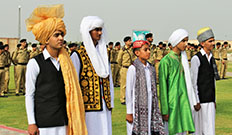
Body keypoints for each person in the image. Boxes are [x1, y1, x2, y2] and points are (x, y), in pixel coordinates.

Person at [25, 4, 87, 135]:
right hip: (44, 123)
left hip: (65, 121)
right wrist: (32, 122)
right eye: (57, 35)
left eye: (62, 34)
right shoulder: (35, 63)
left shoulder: (67, 62)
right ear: (46, 39)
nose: (61, 38)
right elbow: (30, 94)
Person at [71, 16, 114, 135]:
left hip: (105, 105)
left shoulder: (104, 53)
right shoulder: (77, 55)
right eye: (96, 30)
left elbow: (109, 80)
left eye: (101, 30)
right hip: (88, 108)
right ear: (88, 31)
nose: (100, 33)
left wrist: (111, 103)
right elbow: (73, 84)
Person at [159, 29, 195, 134]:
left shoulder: (182, 60)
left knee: (183, 130)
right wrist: (165, 110)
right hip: (172, 105)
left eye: (186, 41)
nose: (186, 44)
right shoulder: (166, 61)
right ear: (176, 42)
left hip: (183, 103)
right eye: (183, 41)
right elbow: (163, 88)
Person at [126, 40, 164, 135]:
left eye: (149, 49)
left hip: (150, 103)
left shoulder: (150, 68)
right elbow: (129, 92)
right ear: (137, 52)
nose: (149, 52)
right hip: (137, 107)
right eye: (145, 50)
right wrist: (129, 112)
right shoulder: (133, 68)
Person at [191, 27, 219, 135]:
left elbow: (213, 80)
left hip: (210, 100)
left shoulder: (212, 58)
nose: (213, 43)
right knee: (199, 130)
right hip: (200, 102)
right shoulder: (196, 59)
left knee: (209, 130)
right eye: (210, 41)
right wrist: (196, 101)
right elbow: (194, 82)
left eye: (213, 40)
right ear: (202, 43)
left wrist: (214, 99)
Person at [117, 36, 135, 105]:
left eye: (130, 41)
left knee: (131, 84)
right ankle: (123, 99)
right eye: (129, 41)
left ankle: (129, 98)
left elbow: (133, 57)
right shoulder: (123, 50)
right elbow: (118, 59)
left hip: (130, 68)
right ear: (125, 42)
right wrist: (121, 66)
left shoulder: (131, 49)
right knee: (123, 85)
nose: (130, 42)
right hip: (124, 68)